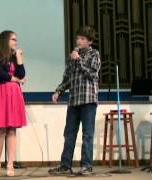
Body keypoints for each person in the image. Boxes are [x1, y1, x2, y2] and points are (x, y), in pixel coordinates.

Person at [48, 26, 101, 176]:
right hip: (73, 100)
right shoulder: (72, 57)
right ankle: (65, 165)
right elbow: (67, 79)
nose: (79, 40)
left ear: (89, 41)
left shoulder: (94, 54)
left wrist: (78, 61)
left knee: (87, 134)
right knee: (69, 133)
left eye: (83, 39)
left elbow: (92, 74)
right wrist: (58, 91)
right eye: (78, 38)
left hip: (88, 99)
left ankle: (86, 166)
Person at [0, 30, 27, 177]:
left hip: (14, 95)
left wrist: (19, 58)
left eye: (16, 39)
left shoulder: (15, 56)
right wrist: (14, 79)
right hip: (0, 93)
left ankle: (10, 164)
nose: (16, 42)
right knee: (0, 130)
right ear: (5, 40)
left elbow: (22, 74)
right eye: (13, 39)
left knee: (12, 131)